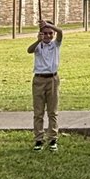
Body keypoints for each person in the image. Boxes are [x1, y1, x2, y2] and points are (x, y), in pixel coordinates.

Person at [27, 19, 63, 152]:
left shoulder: (56, 44)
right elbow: (29, 50)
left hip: (52, 79)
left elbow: (60, 32)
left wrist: (48, 25)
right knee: (38, 112)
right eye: (45, 33)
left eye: (50, 33)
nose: (48, 36)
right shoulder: (38, 45)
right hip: (39, 79)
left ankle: (53, 138)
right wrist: (38, 40)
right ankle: (38, 139)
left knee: (52, 111)